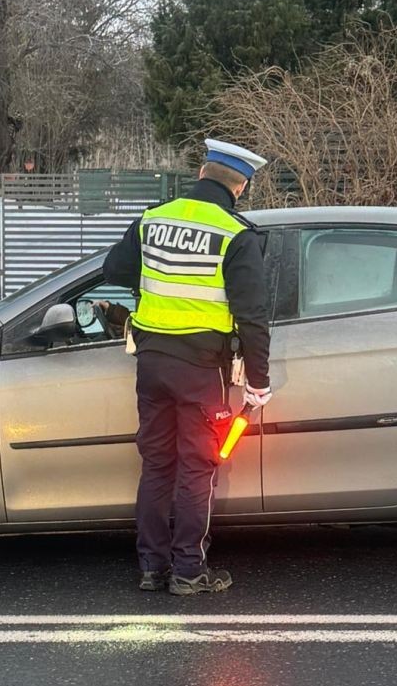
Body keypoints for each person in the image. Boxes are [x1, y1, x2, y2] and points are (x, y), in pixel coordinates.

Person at [103, 139, 272, 595]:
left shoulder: (154, 218)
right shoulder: (236, 233)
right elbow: (253, 317)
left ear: (200, 173)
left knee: (157, 466)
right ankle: (188, 572)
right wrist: (259, 383)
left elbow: (114, 270)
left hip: (152, 363)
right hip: (201, 371)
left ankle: (151, 568)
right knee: (197, 469)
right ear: (241, 188)